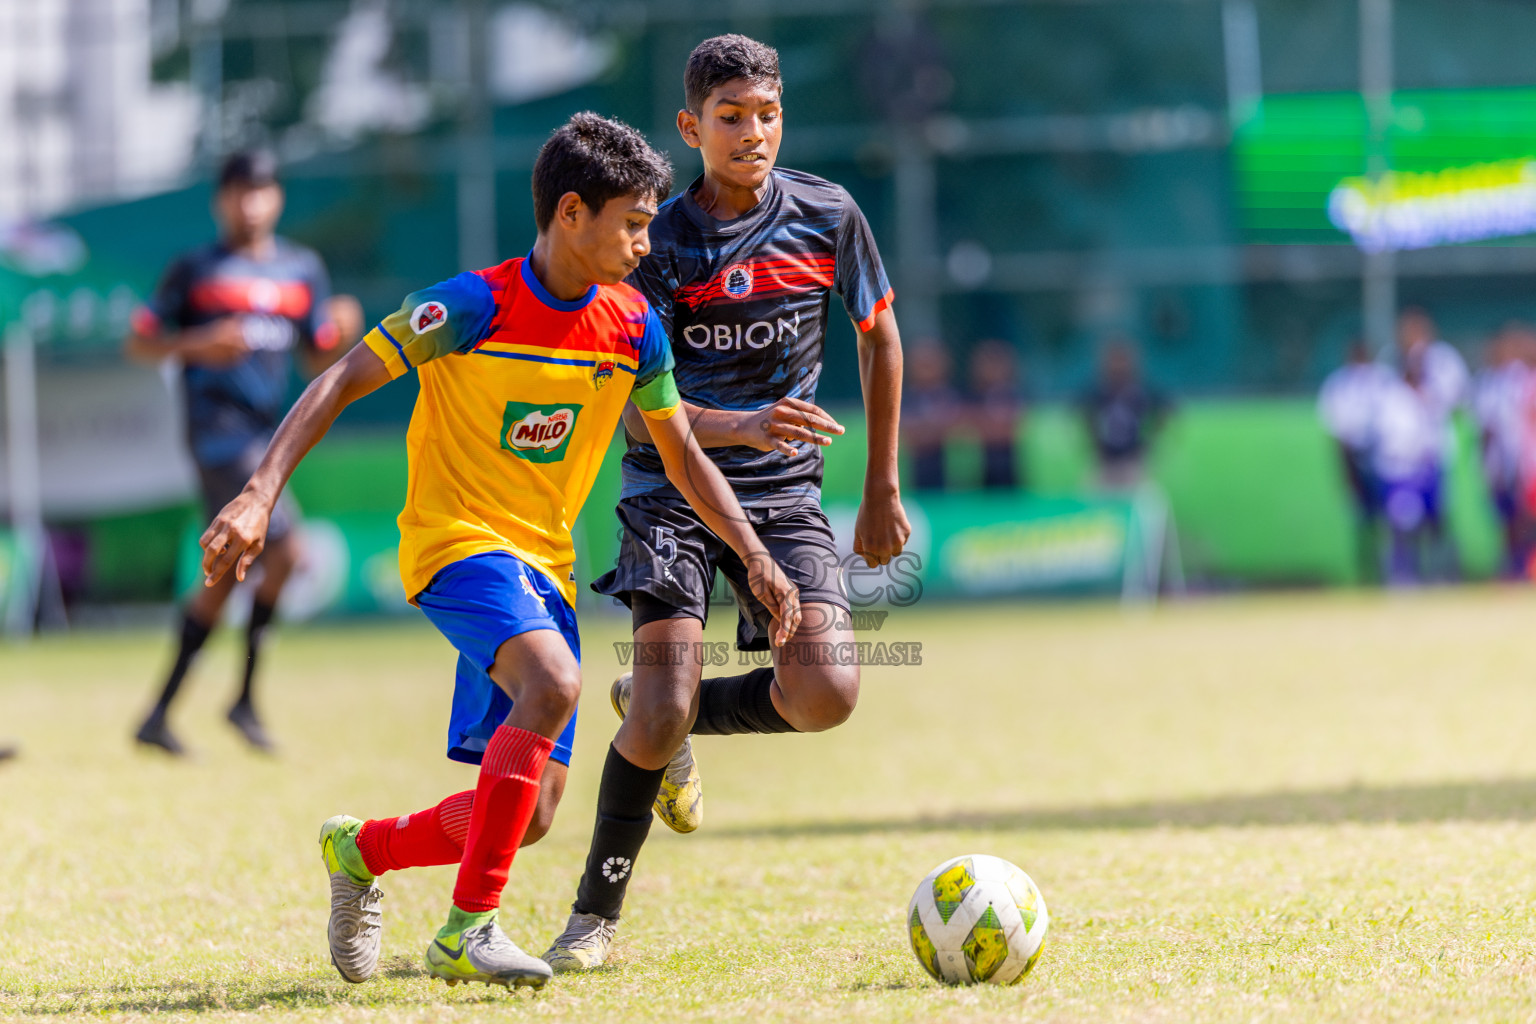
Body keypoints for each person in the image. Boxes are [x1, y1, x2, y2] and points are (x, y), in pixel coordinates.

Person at [198, 113, 799, 992]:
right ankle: (465, 932)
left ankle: (359, 851)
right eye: (632, 221)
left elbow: (681, 453)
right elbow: (338, 379)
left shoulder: (635, 328)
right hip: (456, 547)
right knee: (555, 684)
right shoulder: (470, 306)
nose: (644, 241)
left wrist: (754, 554)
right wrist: (259, 493)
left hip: (544, 568)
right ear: (569, 213)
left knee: (529, 815)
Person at [542, 35, 911, 971]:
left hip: (786, 498)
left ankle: (660, 713)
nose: (754, 134)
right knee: (659, 712)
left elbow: (880, 338)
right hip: (671, 492)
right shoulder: (652, 239)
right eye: (731, 118)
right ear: (690, 126)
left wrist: (880, 487)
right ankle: (594, 917)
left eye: (768, 114)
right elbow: (634, 414)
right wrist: (743, 424)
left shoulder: (829, 214)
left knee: (825, 693)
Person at [125, 149, 362, 756]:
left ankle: (165, 713)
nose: (250, 202)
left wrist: (341, 328)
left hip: (269, 436)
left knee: (231, 572)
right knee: (284, 547)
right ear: (220, 201)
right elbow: (141, 343)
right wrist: (200, 343)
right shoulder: (195, 270)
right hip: (217, 435)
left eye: (261, 191)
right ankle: (242, 700)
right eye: (238, 191)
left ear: (276, 198)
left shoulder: (301, 269)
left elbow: (318, 359)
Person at [1394, 307, 1469, 579]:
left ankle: (1441, 573)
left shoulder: (1443, 360)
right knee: (1403, 518)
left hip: (1434, 453)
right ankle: (1405, 574)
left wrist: (1431, 395)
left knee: (1437, 518)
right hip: (1400, 459)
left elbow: (1460, 401)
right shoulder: (1392, 360)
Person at [1317, 338, 1393, 582]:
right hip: (1355, 457)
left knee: (1393, 517)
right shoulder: (1339, 384)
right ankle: (1368, 571)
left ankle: (1394, 571)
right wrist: (1345, 470)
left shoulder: (1384, 379)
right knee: (1363, 519)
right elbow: (1336, 432)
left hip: (1385, 457)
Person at [1472, 323, 1531, 577]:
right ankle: (1512, 566)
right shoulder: (1486, 381)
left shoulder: (1521, 377)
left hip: (1523, 455)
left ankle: (1524, 564)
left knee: (1525, 515)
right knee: (1505, 516)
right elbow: (1484, 425)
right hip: (1499, 460)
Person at [1081, 336, 1167, 491]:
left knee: (1143, 497)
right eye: (1114, 360)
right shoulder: (1099, 391)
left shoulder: (1140, 391)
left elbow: (1163, 413)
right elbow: (1086, 416)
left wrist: (1147, 442)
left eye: (1122, 360)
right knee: (1091, 495)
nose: (1118, 366)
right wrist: (1095, 443)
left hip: (1132, 459)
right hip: (1105, 460)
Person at [902, 339, 960, 491]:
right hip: (914, 470)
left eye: (930, 365)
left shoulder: (950, 397)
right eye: (921, 365)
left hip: (946, 470)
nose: (926, 370)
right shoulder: (903, 399)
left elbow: (954, 429)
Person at [967, 338, 1024, 490]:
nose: (992, 368)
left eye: (997, 362)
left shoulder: (1015, 394)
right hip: (980, 464)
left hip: (1010, 464)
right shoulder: (972, 396)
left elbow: (1015, 427)